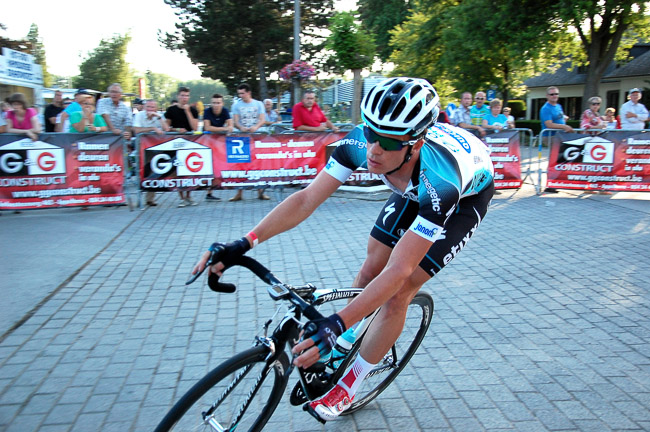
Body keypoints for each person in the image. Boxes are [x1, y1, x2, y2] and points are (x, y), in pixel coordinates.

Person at [191, 77, 495, 422]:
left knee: (400, 291)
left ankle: (349, 385)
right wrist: (243, 243)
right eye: (370, 133)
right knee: (368, 272)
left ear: (415, 142)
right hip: (411, 186)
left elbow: (399, 271)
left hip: (462, 199)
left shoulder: (442, 185)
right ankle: (348, 339)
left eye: (387, 141)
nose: (373, 150)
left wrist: (335, 322)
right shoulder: (358, 143)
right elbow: (306, 199)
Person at [230, 83, 269, 201]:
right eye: (239, 94)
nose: (241, 96)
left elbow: (262, 119)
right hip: (242, 138)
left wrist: (256, 127)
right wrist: (241, 127)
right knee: (240, 165)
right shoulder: (236, 105)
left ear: (248, 92)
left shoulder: (258, 104)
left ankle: (260, 191)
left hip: (256, 137)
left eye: (243, 93)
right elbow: (235, 120)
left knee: (258, 164)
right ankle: (239, 192)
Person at [165, 86, 200, 207]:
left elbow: (195, 127)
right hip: (175, 142)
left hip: (190, 143)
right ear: (178, 96)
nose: (184, 98)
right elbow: (167, 128)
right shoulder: (171, 110)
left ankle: (189, 196)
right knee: (177, 170)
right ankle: (181, 197)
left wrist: (188, 111)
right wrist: (176, 129)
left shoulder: (193, 110)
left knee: (190, 170)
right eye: (182, 95)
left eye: (186, 96)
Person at [133, 99, 169, 207]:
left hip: (154, 149)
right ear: (144, 107)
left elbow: (166, 129)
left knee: (153, 172)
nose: (150, 109)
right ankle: (139, 198)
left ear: (156, 108)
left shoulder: (159, 116)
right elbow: (136, 130)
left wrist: (158, 118)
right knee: (141, 172)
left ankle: (150, 199)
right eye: (148, 107)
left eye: (152, 107)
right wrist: (152, 128)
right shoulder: (139, 115)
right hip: (141, 147)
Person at [203, 93, 234, 201]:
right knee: (209, 167)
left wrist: (224, 128)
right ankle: (209, 191)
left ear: (222, 103)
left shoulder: (225, 111)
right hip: (208, 142)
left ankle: (222, 185)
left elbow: (231, 126)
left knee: (220, 165)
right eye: (214, 103)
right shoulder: (207, 111)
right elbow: (207, 127)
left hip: (220, 143)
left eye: (218, 103)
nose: (216, 105)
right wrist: (223, 129)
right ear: (211, 103)